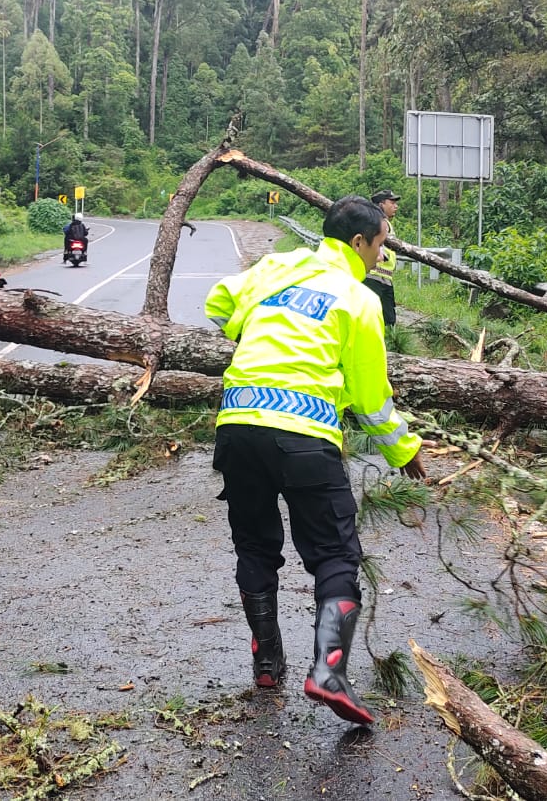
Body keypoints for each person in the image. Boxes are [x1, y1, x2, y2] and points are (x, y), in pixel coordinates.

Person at [205, 195, 429, 726]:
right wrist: (406, 450)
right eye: (380, 244)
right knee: (334, 556)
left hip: (237, 426)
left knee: (255, 545)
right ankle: (328, 674)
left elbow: (218, 303)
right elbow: (373, 396)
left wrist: (251, 334)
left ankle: (266, 662)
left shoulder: (279, 266)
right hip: (304, 433)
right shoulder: (358, 297)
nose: (381, 255)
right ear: (359, 243)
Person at [363, 190, 401, 327]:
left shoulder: (385, 223)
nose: (395, 206)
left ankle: (388, 346)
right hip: (373, 277)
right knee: (374, 318)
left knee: (388, 320)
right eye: (392, 202)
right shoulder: (376, 222)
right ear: (381, 204)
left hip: (384, 278)